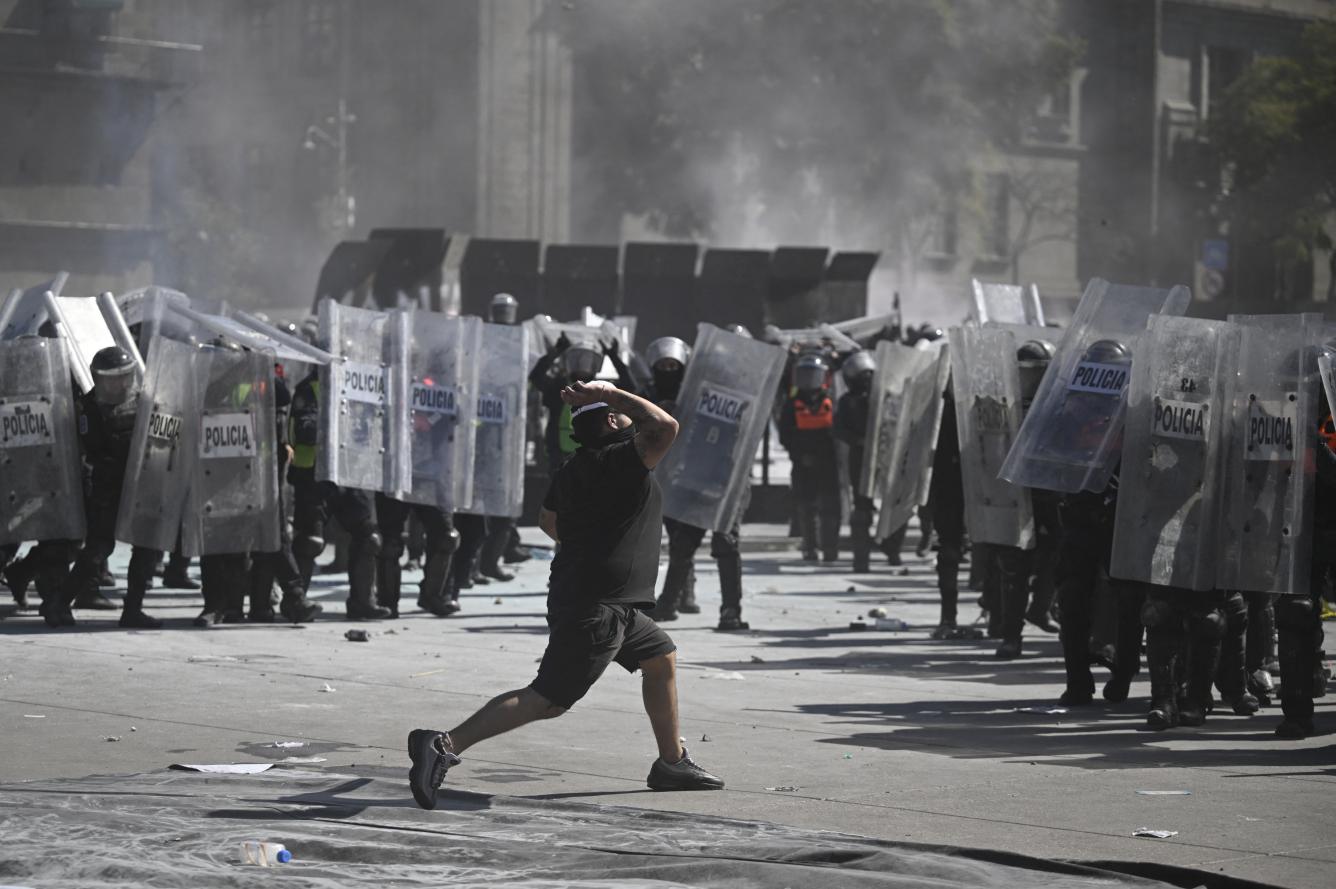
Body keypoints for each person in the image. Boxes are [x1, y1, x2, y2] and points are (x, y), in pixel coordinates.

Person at [406, 378, 723, 808]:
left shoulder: (575, 467)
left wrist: (590, 542)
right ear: (612, 419)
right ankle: (443, 744)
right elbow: (665, 426)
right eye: (620, 412)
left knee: (660, 657)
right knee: (549, 699)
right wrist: (609, 392)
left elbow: (547, 519)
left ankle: (672, 762)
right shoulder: (621, 459)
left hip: (605, 598)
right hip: (598, 605)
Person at [52, 347, 162, 629]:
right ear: (99, 380)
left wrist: (170, 429)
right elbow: (95, 450)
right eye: (113, 379)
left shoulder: (144, 401)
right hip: (108, 487)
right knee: (99, 549)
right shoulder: (87, 409)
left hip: (142, 484)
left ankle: (133, 610)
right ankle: (59, 603)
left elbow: (166, 435)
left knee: (146, 547)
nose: (121, 384)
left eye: (125, 377)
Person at [778, 352, 841, 562]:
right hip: (803, 462)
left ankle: (830, 547)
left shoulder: (831, 401)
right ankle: (810, 546)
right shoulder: (792, 404)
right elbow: (785, 435)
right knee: (806, 506)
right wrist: (799, 455)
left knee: (830, 507)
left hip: (828, 462)